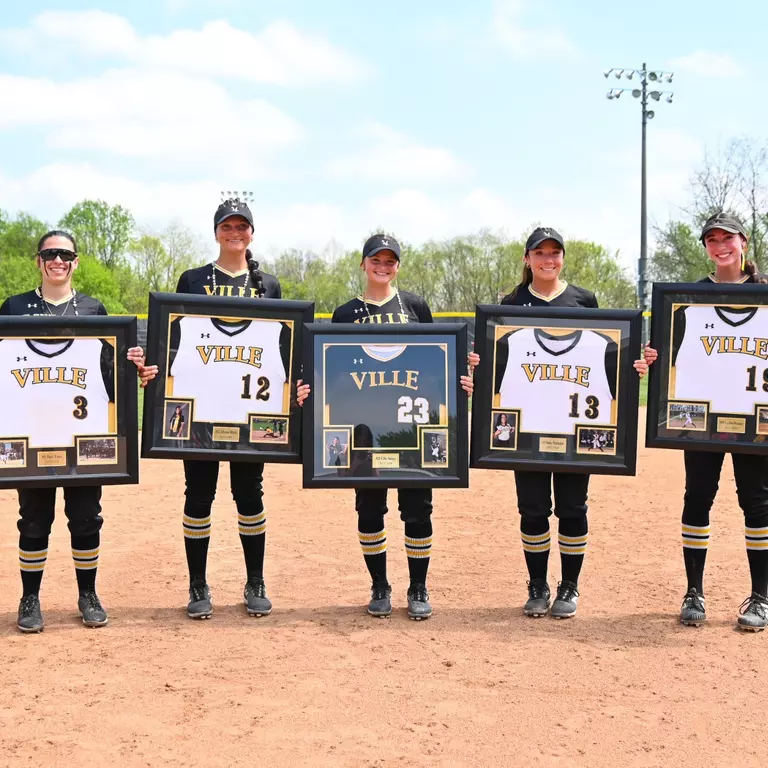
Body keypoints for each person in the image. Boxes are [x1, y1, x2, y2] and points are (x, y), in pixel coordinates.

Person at [469, 227, 650, 619]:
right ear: (527, 258)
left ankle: (569, 585)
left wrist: (631, 366)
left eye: (554, 252)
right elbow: (498, 367)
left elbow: (605, 358)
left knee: (572, 506)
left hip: (574, 425)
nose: (547, 259)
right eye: (540, 253)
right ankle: (537, 585)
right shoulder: (511, 303)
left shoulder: (583, 299)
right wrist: (478, 366)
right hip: (528, 423)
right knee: (532, 508)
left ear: (563, 258)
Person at [296, 233, 474, 620]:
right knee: (370, 508)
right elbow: (331, 370)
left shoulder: (415, 306)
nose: (383, 266)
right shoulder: (345, 313)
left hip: (411, 423)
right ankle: (379, 585)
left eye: (390, 260)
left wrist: (460, 381)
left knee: (418, 508)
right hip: (365, 427)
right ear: (363, 264)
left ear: (398, 266)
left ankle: (418, 586)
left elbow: (437, 363)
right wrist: (310, 389)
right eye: (376, 259)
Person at [131, 197, 280, 620]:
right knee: (198, 494)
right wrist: (156, 371)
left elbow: (278, 348)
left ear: (252, 232)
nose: (234, 233)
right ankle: (198, 584)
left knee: (249, 493)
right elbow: (175, 339)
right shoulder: (193, 279)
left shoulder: (268, 284)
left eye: (241, 226)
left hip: (248, 408)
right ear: (216, 232)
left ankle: (255, 581)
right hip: (200, 406)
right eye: (226, 226)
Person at [0, 230, 139, 633]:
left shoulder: (94, 310)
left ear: (75, 262)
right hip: (32, 433)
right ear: (38, 260)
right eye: (50, 254)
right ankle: (29, 598)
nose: (57, 260)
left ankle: (88, 594)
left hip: (84, 433)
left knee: (86, 517)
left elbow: (108, 374)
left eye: (65, 254)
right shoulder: (14, 308)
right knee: (33, 519)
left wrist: (130, 363)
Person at [644, 212, 768, 631]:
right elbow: (668, 354)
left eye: (727, 238)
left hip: (756, 418)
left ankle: (761, 595)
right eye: (712, 240)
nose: (720, 246)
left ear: (743, 242)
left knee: (757, 502)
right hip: (703, 417)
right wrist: (654, 357)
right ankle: (694, 591)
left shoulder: (765, 293)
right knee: (698, 497)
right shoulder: (688, 299)